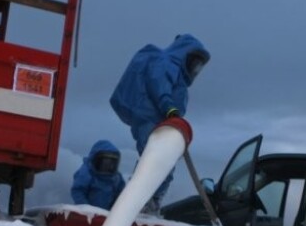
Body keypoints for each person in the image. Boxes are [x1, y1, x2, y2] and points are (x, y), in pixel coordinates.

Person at [110, 33, 210, 214]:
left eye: (198, 66)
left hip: (163, 121)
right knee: (153, 161)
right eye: (194, 62)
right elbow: (158, 85)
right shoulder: (165, 63)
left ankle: (151, 203)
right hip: (150, 119)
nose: (195, 69)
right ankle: (139, 202)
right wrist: (169, 107)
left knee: (164, 163)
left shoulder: (179, 77)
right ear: (185, 53)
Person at [71, 140, 126, 210]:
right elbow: (77, 191)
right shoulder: (87, 172)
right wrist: (86, 209)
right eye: (105, 163)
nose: (108, 166)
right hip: (87, 215)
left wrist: (115, 210)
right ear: (95, 159)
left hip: (108, 216)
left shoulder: (116, 178)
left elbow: (123, 195)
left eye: (111, 163)